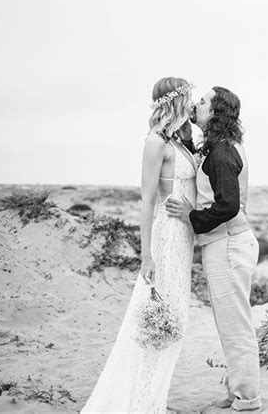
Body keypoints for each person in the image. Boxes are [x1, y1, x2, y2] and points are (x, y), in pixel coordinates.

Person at [81, 77, 197, 413]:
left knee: (174, 320)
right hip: (166, 238)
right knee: (161, 319)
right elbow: (146, 201)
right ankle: (145, 403)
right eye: (188, 97)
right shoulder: (155, 143)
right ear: (175, 101)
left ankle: (152, 398)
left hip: (183, 238)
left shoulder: (178, 140)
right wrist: (147, 254)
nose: (191, 103)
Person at [166, 86, 262, 411]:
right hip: (226, 245)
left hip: (229, 245)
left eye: (203, 101)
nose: (196, 104)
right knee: (229, 323)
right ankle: (239, 392)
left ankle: (247, 399)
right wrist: (188, 138)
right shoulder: (221, 146)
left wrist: (191, 217)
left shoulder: (222, 151)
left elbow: (229, 205)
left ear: (216, 111)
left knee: (235, 325)